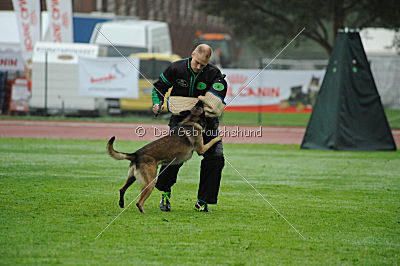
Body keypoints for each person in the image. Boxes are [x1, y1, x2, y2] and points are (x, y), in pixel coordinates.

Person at [151, 44, 227, 212]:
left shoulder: (214, 74)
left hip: (207, 123)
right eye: (197, 63)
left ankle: (203, 201)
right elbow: (159, 87)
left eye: (203, 65)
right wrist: (158, 103)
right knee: (173, 157)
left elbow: (218, 95)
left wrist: (210, 101)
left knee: (215, 158)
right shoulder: (176, 68)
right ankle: (165, 192)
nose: (199, 67)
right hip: (181, 121)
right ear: (192, 54)